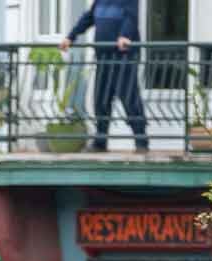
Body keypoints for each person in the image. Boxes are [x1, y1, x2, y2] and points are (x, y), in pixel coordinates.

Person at [60, 0, 147, 152]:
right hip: (103, 55)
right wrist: (71, 37)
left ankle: (141, 141)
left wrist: (124, 35)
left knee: (129, 98)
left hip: (123, 56)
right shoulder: (99, 1)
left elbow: (131, 17)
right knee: (101, 98)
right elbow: (88, 17)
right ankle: (101, 141)